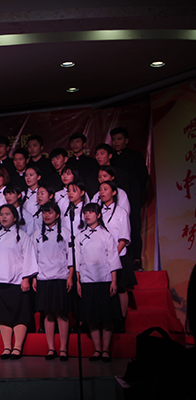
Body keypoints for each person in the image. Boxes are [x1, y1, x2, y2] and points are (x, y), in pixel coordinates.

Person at [0, 204, 38, 360]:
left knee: (19, 315)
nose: (3, 217)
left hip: (16, 281)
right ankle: (7, 346)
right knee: (3, 316)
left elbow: (29, 257)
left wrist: (26, 278)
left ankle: (17, 347)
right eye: (1, 214)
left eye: (7, 214)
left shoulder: (22, 236)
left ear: (15, 218)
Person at [75, 203, 122, 362]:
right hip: (87, 280)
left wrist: (114, 281)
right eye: (85, 212)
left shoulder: (106, 235)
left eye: (91, 212)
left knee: (106, 317)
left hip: (105, 280)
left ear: (99, 215)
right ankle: (97, 349)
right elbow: (77, 260)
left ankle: (106, 350)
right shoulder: (80, 236)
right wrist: (78, 281)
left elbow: (113, 258)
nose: (87, 215)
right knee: (92, 317)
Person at [31, 202, 73, 361]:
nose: (46, 215)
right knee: (48, 314)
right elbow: (33, 257)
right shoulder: (36, 234)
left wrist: (70, 276)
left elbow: (70, 255)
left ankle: (63, 348)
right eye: (44, 212)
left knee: (61, 313)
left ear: (57, 214)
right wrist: (34, 277)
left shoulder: (66, 232)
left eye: (50, 212)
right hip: (43, 277)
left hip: (61, 277)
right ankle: (51, 348)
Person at [98, 181, 136, 331]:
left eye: (105, 189)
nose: (102, 192)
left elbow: (124, 237)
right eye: (100, 190)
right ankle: (107, 319)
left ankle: (121, 319)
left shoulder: (121, 212)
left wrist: (113, 255)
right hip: (101, 257)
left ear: (114, 192)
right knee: (105, 289)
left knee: (121, 288)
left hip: (119, 255)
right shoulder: (97, 212)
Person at [110, 127, 149, 269]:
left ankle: (136, 260)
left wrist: (134, 191)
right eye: (114, 140)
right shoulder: (111, 158)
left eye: (119, 139)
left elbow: (143, 177)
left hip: (132, 197)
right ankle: (119, 260)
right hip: (114, 200)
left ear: (126, 140)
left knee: (133, 227)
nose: (116, 142)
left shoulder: (135, 156)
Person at [66, 132, 99, 197]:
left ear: (84, 144)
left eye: (77, 141)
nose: (74, 144)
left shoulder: (92, 162)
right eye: (72, 142)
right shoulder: (67, 162)